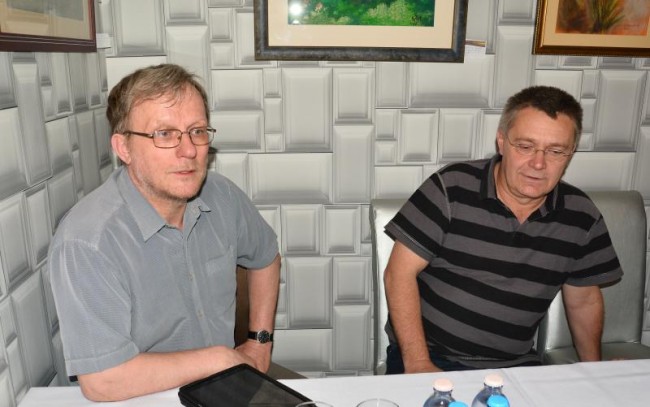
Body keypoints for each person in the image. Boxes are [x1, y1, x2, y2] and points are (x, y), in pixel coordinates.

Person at [47, 64, 281, 401]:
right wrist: (221, 359)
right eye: (165, 134)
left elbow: (266, 257)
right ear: (123, 148)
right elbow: (102, 382)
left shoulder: (222, 195)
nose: (189, 150)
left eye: (197, 131)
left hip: (223, 391)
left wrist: (259, 341)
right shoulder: (87, 242)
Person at [382, 85, 622, 374]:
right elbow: (398, 274)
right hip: (432, 356)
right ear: (501, 142)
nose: (538, 163)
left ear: (570, 154)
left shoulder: (581, 216)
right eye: (525, 146)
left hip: (516, 366)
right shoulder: (450, 188)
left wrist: (595, 372)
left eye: (555, 151)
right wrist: (419, 363)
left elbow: (583, 300)